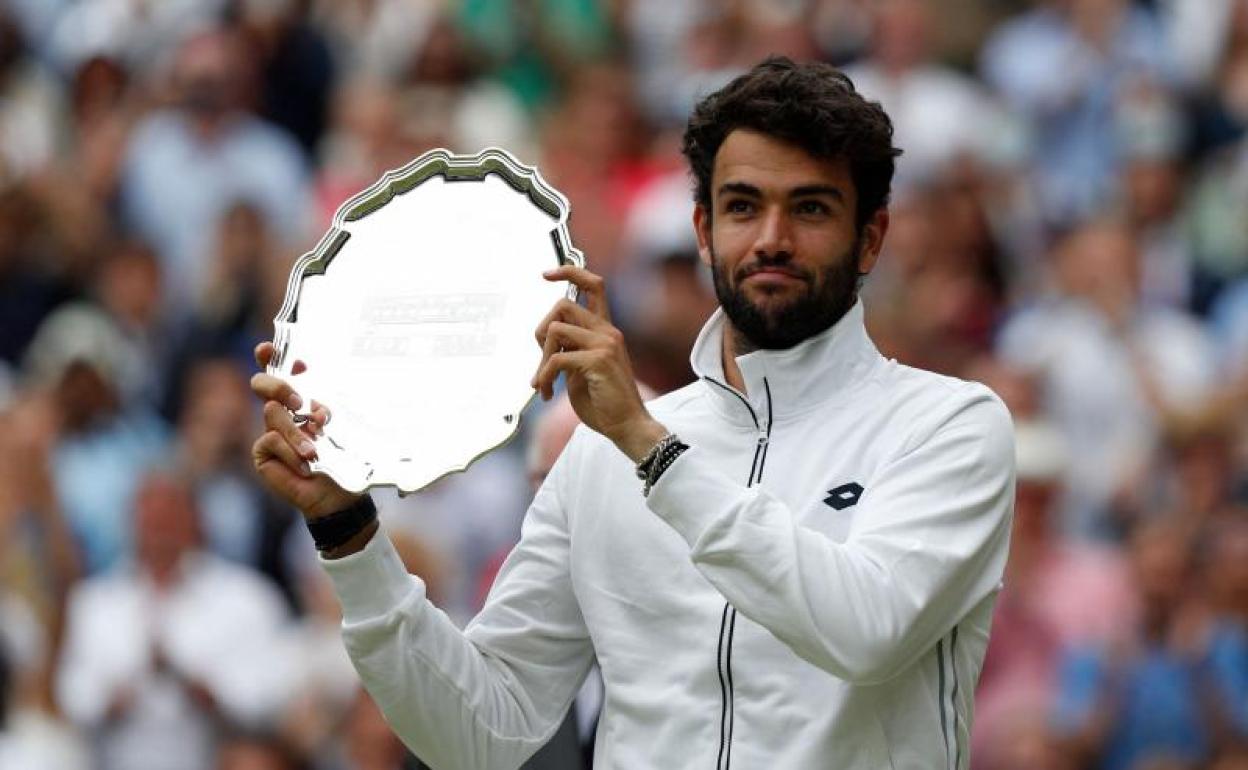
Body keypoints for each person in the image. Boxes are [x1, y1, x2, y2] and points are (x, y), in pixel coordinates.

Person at [250, 57, 1015, 769]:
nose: (772, 239)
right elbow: (482, 732)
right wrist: (348, 534)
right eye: (743, 207)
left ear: (870, 237)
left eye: (810, 208)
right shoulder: (600, 456)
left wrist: (650, 447)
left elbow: (864, 630)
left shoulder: (949, 426)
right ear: (704, 232)